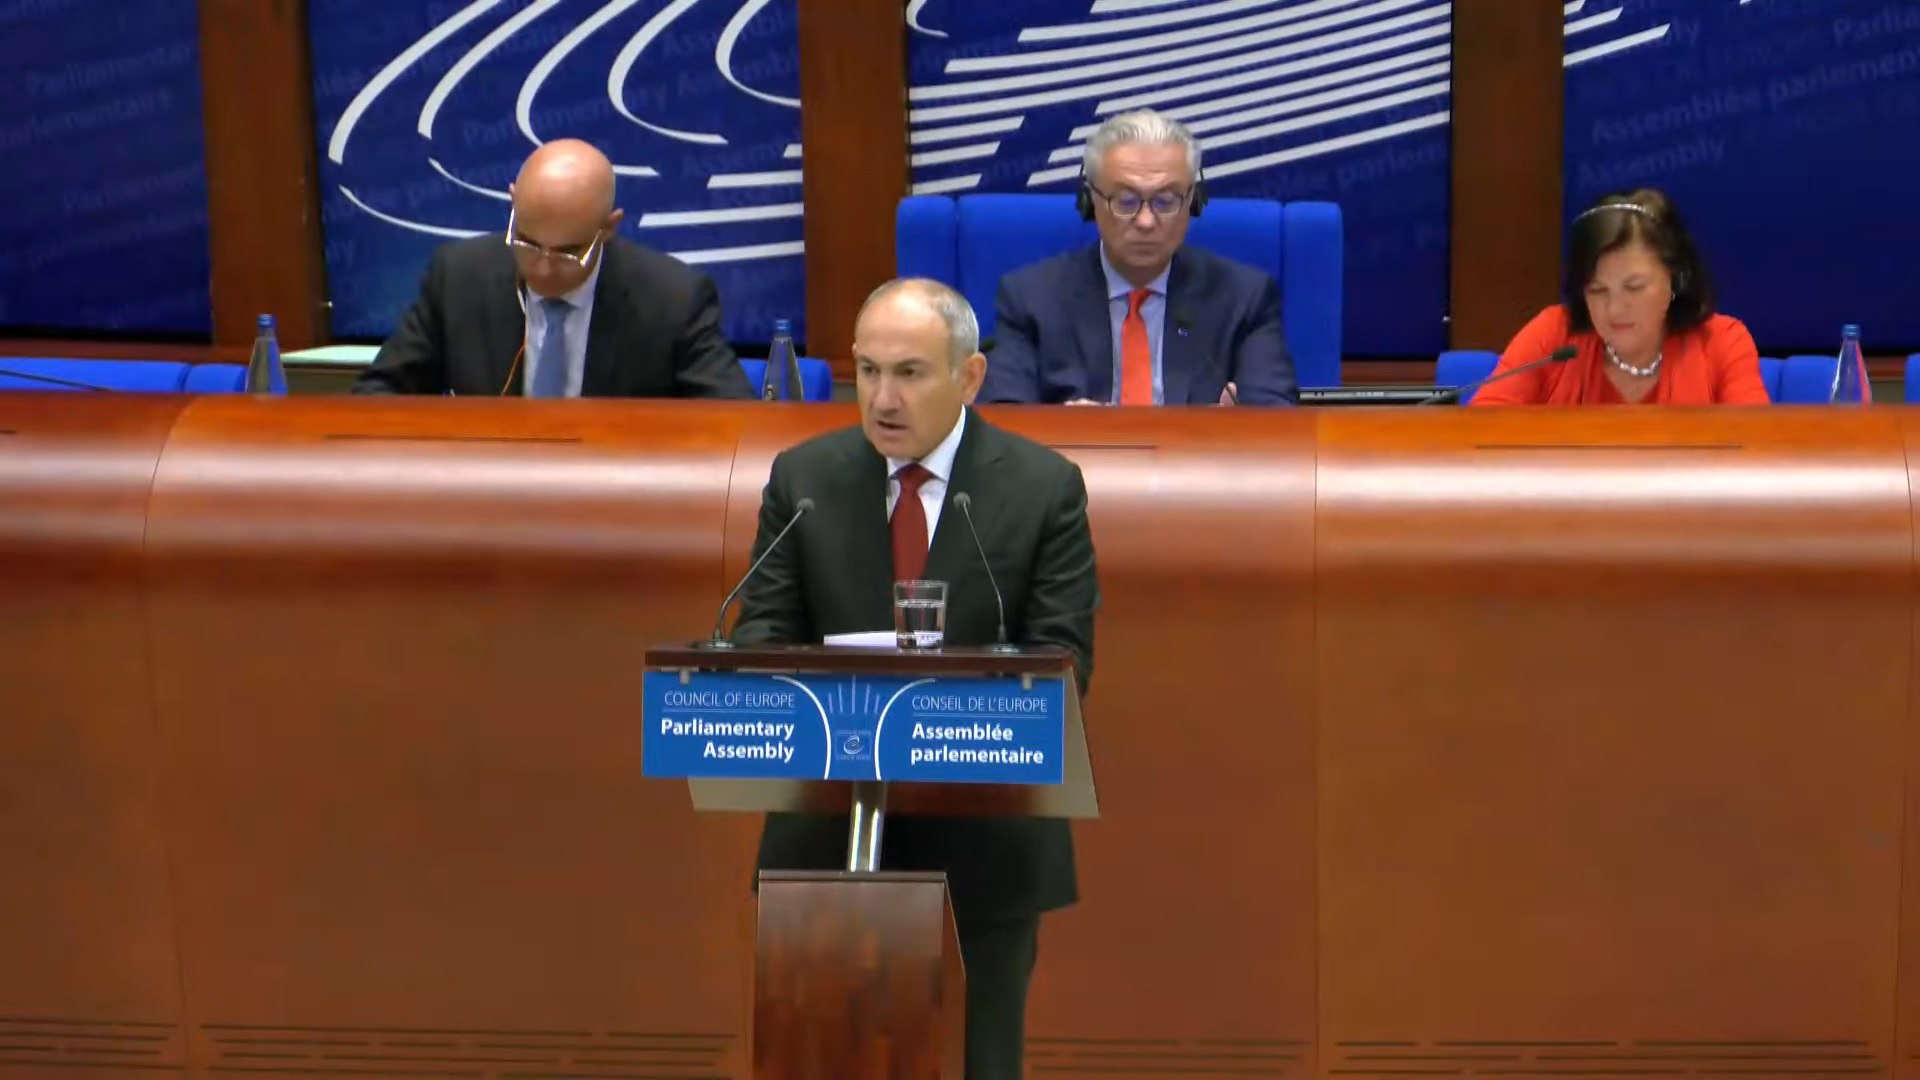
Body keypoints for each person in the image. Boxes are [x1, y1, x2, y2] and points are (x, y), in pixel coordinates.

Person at [731, 278, 1098, 1077]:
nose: (882, 398)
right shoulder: (804, 480)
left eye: (909, 373)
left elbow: (1063, 662)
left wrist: (941, 715)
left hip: (984, 846)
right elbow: (761, 637)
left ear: (969, 376)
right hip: (829, 837)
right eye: (867, 371)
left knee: (976, 1064)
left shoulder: (1041, 488)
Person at [354, 138, 751, 399]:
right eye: (527, 243)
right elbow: (378, 394)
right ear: (513, 203)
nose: (543, 269)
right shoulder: (458, 277)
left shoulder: (672, 298)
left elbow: (733, 420)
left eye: (568, 252)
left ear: (608, 228)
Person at [979, 109, 1297, 406]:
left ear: (1193, 201)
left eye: (1166, 201)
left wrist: (1234, 425)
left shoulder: (1243, 299)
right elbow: (1004, 416)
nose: (1145, 222)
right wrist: (1065, 429)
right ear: (1089, 201)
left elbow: (1275, 413)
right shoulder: (1030, 299)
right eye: (1126, 201)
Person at [1470, 187, 1767, 406]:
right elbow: (1481, 433)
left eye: (1634, 287)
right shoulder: (1553, 335)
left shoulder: (1722, 343)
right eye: (1597, 290)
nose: (1614, 309)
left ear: (1677, 278)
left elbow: (1757, 450)